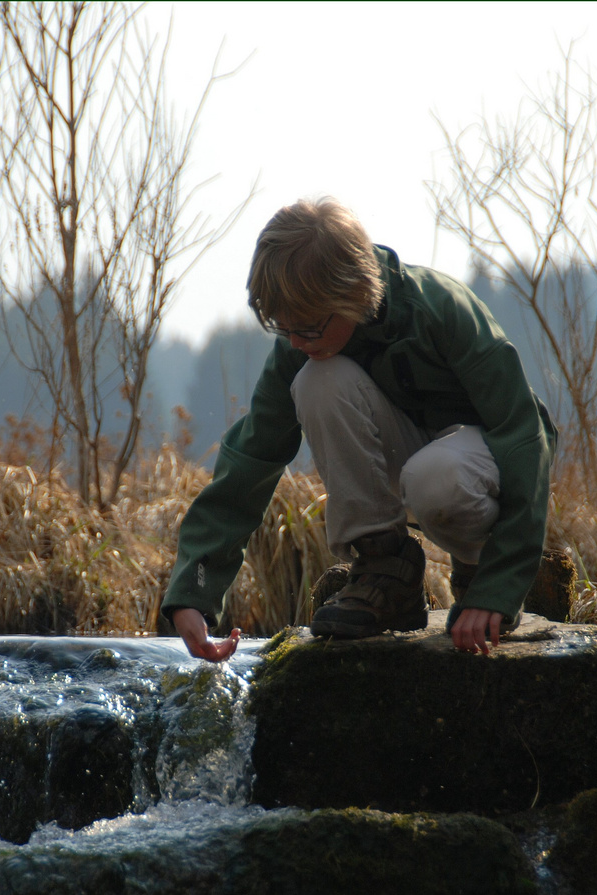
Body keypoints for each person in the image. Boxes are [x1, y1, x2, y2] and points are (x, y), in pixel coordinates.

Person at [163, 198, 557, 660]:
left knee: (434, 477)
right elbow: (252, 458)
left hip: (484, 462)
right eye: (281, 327)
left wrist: (498, 587)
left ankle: (475, 568)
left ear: (349, 295)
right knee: (314, 381)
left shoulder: (441, 309)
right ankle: (385, 570)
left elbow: (523, 437)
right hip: (422, 460)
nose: (294, 342)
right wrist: (194, 592)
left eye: (306, 328)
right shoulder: (304, 344)